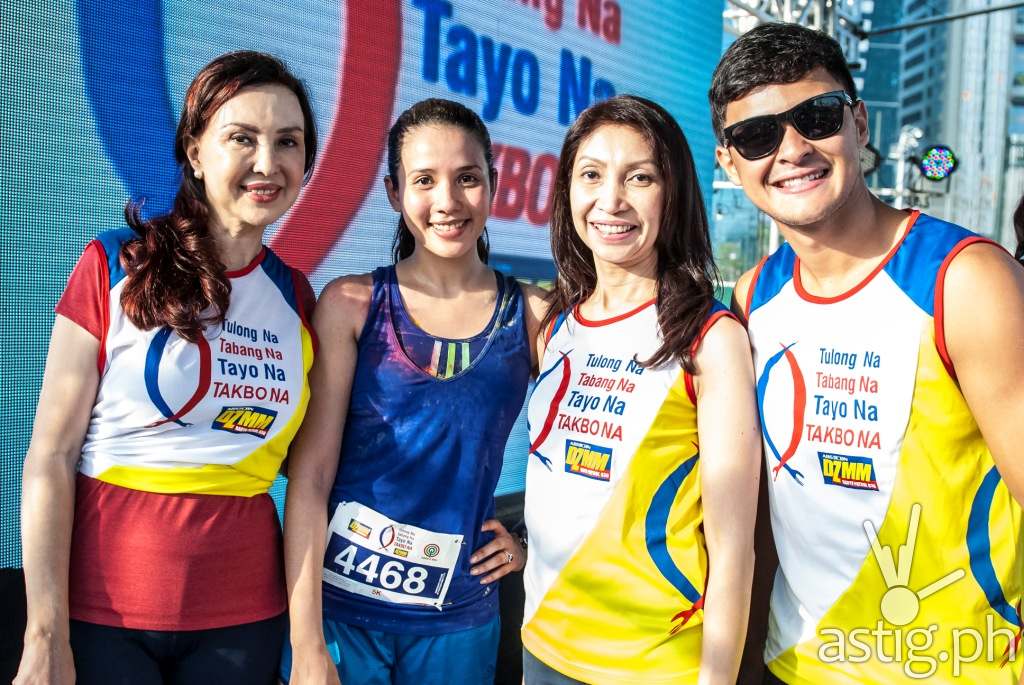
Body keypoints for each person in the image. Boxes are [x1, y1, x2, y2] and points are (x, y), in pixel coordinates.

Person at [711, 23, 1024, 684]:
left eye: (816, 118)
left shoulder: (964, 280)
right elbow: (766, 510)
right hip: (795, 665)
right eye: (758, 135)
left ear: (858, 122)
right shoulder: (751, 296)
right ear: (727, 163)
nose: (793, 149)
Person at [15, 51, 319, 685]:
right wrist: (43, 633)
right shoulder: (111, 264)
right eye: (242, 138)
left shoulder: (299, 298)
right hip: (103, 620)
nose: (268, 163)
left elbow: (315, 477)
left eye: (288, 142)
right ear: (196, 150)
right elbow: (49, 455)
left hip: (244, 624)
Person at [281, 98, 547, 685]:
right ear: (394, 193)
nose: (448, 202)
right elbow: (312, 477)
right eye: (424, 180)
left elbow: (583, 462)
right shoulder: (350, 305)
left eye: (467, 178)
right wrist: (305, 644)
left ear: (494, 186)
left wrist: (529, 544)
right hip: (342, 619)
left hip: (458, 623)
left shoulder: (532, 313)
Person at [521, 95, 761, 684]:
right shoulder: (554, 324)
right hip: (542, 647)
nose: (611, 201)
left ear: (672, 193)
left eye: (640, 177)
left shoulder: (709, 337)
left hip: (654, 664)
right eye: (592, 175)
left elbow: (734, 548)